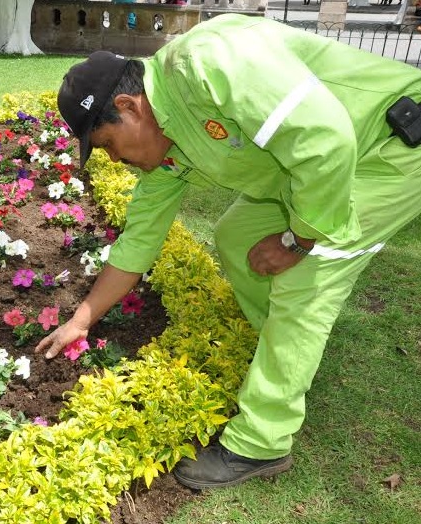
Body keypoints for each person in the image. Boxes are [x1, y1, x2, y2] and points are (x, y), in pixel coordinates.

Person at [36, 13, 421, 490]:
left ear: (129, 106)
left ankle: (262, 443)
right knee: (237, 235)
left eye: (110, 146)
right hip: (312, 165)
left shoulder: (212, 64)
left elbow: (327, 142)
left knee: (308, 277)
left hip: (387, 145)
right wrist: (83, 318)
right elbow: (138, 241)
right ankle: (283, 352)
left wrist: (297, 240)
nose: (116, 161)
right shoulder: (166, 141)